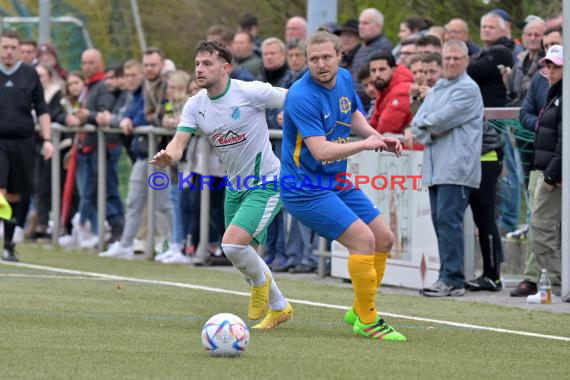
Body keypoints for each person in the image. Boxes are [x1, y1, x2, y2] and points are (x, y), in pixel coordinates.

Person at [151, 41, 292, 329]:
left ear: (226, 68)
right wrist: (169, 157)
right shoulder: (195, 104)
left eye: (207, 64)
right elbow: (179, 143)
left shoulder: (251, 91)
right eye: (197, 64)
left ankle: (260, 287)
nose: (200, 69)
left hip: (268, 182)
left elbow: (295, 99)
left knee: (231, 244)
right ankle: (279, 306)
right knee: (238, 252)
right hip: (234, 186)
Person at [281, 30, 405, 341]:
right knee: (363, 240)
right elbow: (321, 151)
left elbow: (353, 116)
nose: (320, 64)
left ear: (340, 56)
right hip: (304, 188)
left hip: (335, 180)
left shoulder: (346, 78)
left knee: (384, 238)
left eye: (326, 57)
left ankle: (359, 307)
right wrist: (365, 146)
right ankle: (367, 320)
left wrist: (374, 136)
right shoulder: (300, 95)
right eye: (313, 59)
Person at [412, 40, 484, 297]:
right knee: (440, 221)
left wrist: (427, 126)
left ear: (466, 60)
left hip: (456, 167)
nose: (451, 62)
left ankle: (452, 278)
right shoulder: (440, 86)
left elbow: (441, 118)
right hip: (435, 168)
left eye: (456, 58)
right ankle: (447, 276)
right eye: (448, 58)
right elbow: (420, 122)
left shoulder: (468, 89)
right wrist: (429, 130)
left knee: (448, 221)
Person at [0, 30, 53, 261]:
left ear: (19, 49)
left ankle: (9, 244)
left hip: (23, 142)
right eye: (4, 47)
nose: (9, 51)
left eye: (13, 47)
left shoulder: (30, 74)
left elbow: (42, 109)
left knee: (14, 194)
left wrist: (48, 140)